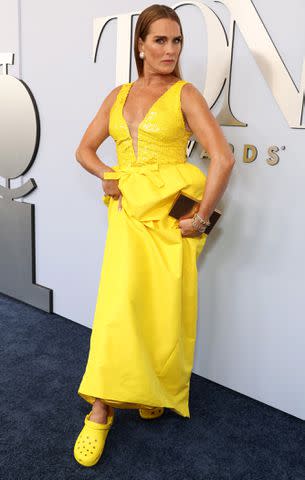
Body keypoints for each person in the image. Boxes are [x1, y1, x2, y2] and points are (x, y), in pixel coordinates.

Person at [73, 3, 235, 467]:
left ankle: (147, 387)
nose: (170, 49)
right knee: (118, 309)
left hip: (166, 220)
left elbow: (222, 159)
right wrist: (109, 173)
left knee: (159, 311)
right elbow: (84, 149)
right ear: (140, 45)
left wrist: (200, 218)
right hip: (126, 217)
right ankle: (101, 409)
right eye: (160, 40)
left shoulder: (186, 94)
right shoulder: (119, 94)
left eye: (177, 40)